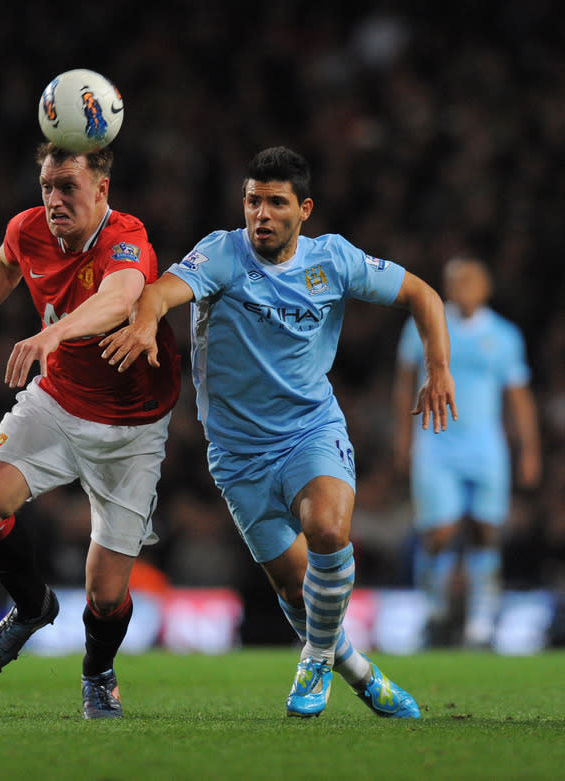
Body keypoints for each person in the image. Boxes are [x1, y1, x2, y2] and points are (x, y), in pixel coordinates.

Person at [100, 146, 456, 719]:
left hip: (310, 430)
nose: (261, 214)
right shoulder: (222, 253)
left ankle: (313, 663)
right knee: (297, 592)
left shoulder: (334, 261)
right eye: (252, 201)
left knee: (328, 526)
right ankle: (360, 673)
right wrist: (145, 320)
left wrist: (438, 367)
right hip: (238, 456)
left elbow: (424, 295)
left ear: (304, 209)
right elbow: (162, 290)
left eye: (275, 202)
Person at [0, 143, 181, 719]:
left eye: (67, 187)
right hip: (57, 401)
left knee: (106, 596)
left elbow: (121, 296)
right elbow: (5, 263)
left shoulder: (125, 236)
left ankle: (98, 674)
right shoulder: (29, 228)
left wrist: (55, 334)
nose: (54, 199)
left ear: (101, 190)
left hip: (132, 426)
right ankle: (32, 608)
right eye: (47, 186)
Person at [394, 257, 541, 648]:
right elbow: (404, 383)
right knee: (438, 533)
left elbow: (519, 397)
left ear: (485, 287)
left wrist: (529, 451)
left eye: (470, 281)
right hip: (435, 441)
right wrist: (402, 438)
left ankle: (481, 619)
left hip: (485, 444)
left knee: (485, 530)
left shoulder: (505, 335)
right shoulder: (423, 324)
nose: (462, 288)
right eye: (455, 281)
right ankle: (436, 609)